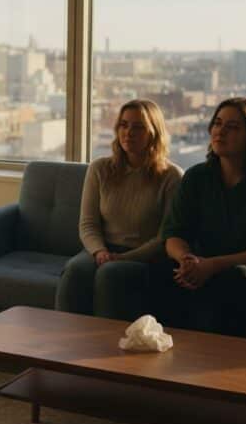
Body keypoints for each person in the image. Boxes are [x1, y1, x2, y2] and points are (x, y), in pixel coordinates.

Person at [152, 97, 246, 334]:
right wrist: (187, 260)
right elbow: (174, 234)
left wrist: (212, 265)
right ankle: (162, 357)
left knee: (231, 278)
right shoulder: (197, 177)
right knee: (160, 270)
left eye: (233, 127)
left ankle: (218, 363)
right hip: (204, 265)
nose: (220, 132)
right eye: (218, 124)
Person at [55, 99, 182, 316]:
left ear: (154, 133)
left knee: (110, 274)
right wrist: (100, 251)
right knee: (75, 271)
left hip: (146, 257)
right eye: (123, 125)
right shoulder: (100, 169)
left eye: (138, 127)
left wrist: (123, 258)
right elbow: (88, 223)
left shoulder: (171, 177)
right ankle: (64, 343)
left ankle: (105, 345)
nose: (128, 132)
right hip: (103, 249)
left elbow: (165, 238)